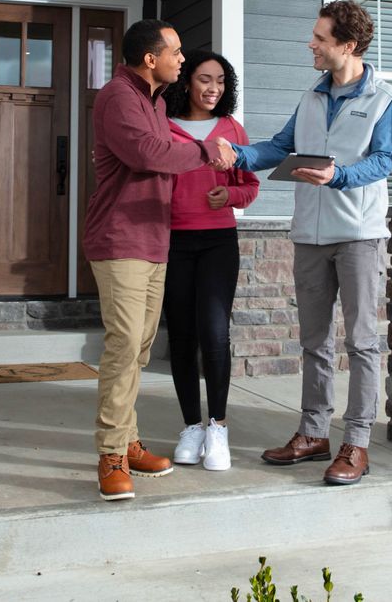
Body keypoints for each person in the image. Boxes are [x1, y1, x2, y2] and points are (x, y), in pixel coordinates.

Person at [221, 0, 392, 486]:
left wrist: (338, 175)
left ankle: (357, 442)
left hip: (359, 236)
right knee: (314, 342)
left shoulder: (386, 98)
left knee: (362, 342)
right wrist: (235, 156)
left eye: (320, 38)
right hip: (309, 235)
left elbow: (384, 161)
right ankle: (313, 432)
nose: (311, 44)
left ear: (347, 45)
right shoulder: (310, 97)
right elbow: (280, 148)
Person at [84, 19, 236, 502]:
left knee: (141, 348)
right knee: (124, 344)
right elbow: (149, 152)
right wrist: (204, 150)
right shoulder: (118, 96)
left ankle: (127, 442)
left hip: (153, 240)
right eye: (175, 52)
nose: (182, 60)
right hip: (120, 238)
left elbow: (165, 150)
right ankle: (110, 455)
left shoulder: (151, 100)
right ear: (151, 59)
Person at [163, 49, 260, 472]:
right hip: (171, 241)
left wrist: (232, 195)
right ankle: (191, 427)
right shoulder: (162, 126)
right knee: (182, 336)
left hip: (219, 241)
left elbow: (249, 184)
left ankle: (217, 427)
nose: (212, 88)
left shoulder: (231, 129)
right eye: (205, 79)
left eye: (220, 81)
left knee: (214, 332)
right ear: (187, 82)